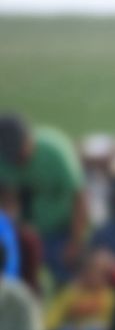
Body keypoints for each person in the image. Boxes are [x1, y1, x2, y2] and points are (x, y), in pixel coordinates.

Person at [0, 113, 88, 284]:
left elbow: (80, 198)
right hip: (27, 232)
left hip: (62, 230)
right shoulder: (5, 159)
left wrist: (75, 243)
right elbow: (7, 199)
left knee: (66, 279)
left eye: (20, 151)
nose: (17, 159)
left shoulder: (55, 151)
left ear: (29, 138)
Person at [43, 250, 115, 330]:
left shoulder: (108, 295)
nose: (94, 277)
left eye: (99, 274)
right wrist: (49, 328)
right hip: (72, 329)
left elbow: (110, 321)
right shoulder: (72, 292)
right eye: (90, 272)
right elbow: (55, 314)